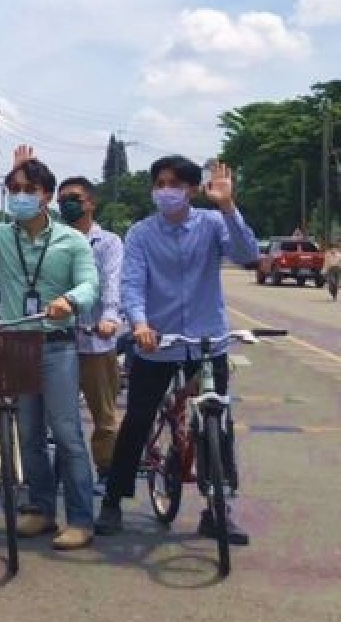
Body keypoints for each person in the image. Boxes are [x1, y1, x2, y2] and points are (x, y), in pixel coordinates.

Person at [95, 157, 260, 544]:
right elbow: (132, 285)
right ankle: (114, 502)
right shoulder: (141, 234)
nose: (165, 190)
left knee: (218, 423)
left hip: (208, 342)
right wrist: (139, 324)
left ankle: (218, 509)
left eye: (174, 183)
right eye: (160, 183)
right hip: (158, 343)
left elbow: (246, 253)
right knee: (137, 420)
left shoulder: (213, 223)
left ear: (190, 189)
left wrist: (228, 206)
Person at [0, 153, 100, 550]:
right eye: (14, 190)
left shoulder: (73, 240)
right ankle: (40, 510)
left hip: (57, 347)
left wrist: (71, 301)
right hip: (15, 345)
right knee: (27, 434)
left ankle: (80, 519)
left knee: (67, 434)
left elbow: (90, 284)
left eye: (30, 190)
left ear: (47, 195)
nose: (21, 196)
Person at [56, 174, 124, 495]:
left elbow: (112, 284)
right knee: (57, 415)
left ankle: (106, 472)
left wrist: (110, 317)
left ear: (91, 203)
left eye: (74, 198)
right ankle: (59, 474)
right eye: (62, 200)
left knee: (104, 415)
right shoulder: (51, 240)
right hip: (57, 340)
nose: (67, 204)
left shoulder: (108, 243)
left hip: (96, 340)